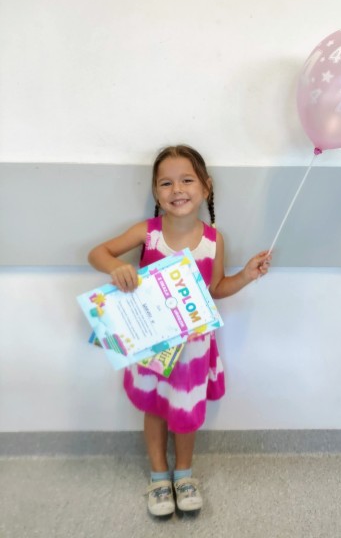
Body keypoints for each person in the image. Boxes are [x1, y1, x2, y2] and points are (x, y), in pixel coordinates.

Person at [88, 145, 271, 517]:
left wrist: (246, 276)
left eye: (187, 180)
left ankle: (184, 475)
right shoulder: (147, 232)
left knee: (186, 411)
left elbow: (216, 288)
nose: (177, 190)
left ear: (206, 186)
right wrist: (115, 268)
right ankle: (159, 477)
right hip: (152, 345)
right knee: (155, 408)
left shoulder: (213, 240)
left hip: (193, 350)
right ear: (156, 193)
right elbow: (97, 253)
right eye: (166, 183)